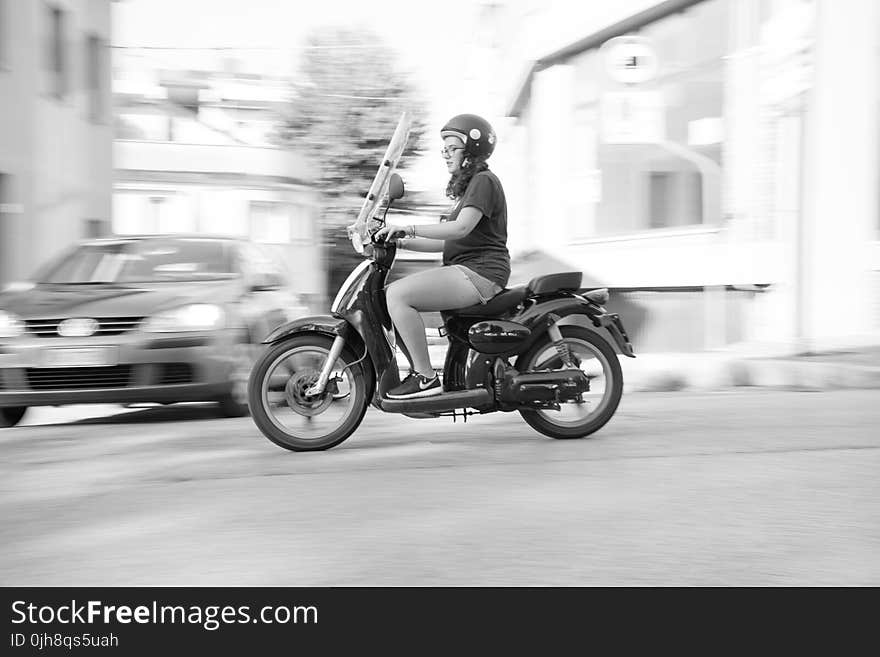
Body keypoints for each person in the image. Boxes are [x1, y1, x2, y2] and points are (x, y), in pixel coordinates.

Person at [374, 113, 510, 399]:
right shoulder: (470, 189)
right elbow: (445, 243)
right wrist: (400, 241)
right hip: (467, 269)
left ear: (471, 149)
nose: (446, 155)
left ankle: (425, 378)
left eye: (452, 148)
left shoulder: (484, 181)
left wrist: (408, 228)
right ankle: (419, 374)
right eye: (444, 149)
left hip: (481, 272)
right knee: (389, 296)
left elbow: (460, 228)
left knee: (398, 295)